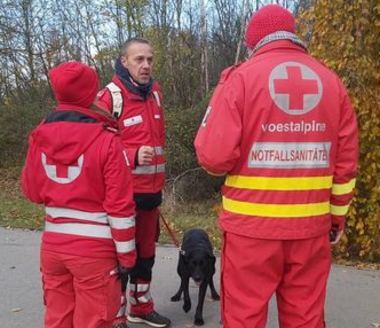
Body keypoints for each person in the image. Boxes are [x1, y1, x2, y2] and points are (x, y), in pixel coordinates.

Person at [194, 5, 358, 328]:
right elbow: (346, 165)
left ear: (253, 41)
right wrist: (336, 220)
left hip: (250, 231)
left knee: (244, 318)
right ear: (293, 34)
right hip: (311, 230)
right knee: (305, 319)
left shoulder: (240, 79)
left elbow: (213, 158)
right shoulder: (331, 82)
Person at [21, 61, 137, 328]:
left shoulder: (39, 135)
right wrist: (127, 256)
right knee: (94, 321)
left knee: (57, 320)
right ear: (91, 93)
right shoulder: (107, 139)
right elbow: (120, 208)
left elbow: (32, 192)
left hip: (53, 247)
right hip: (94, 252)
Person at [97, 37, 170, 328]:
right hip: (121, 198)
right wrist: (132, 155)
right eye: (139, 59)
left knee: (146, 257)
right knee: (121, 262)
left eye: (150, 59)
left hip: (152, 195)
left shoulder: (156, 93)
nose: (146, 65)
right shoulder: (109, 97)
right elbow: (96, 149)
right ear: (124, 61)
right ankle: (117, 317)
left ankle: (141, 308)